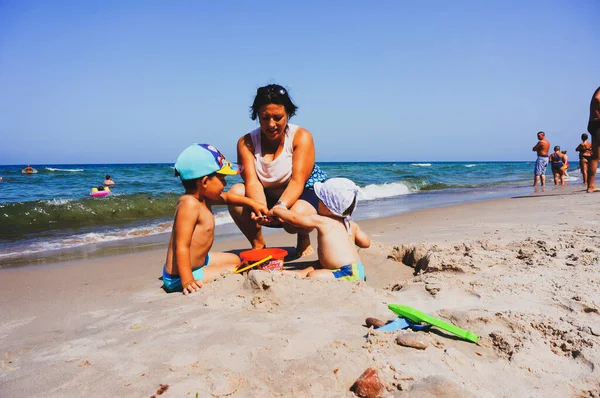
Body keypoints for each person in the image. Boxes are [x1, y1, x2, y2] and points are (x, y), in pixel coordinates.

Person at [228, 84, 327, 257]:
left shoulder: (301, 137)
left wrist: (281, 207)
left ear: (288, 114)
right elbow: (252, 182)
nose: (271, 124)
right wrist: (261, 209)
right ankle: (258, 243)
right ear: (257, 116)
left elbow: (298, 181)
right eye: (265, 118)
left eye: (278, 117)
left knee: (294, 221)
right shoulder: (246, 143)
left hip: (303, 192)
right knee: (235, 192)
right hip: (268, 195)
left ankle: (303, 236)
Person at [162, 143, 269, 295]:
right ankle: (186, 279)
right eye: (222, 179)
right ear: (205, 182)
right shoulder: (189, 205)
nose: (225, 184)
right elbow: (182, 246)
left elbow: (228, 198)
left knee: (236, 259)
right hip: (180, 275)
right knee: (237, 270)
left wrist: (253, 203)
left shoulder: (204, 198)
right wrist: (188, 281)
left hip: (200, 261)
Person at [271, 178, 371, 281]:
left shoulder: (322, 220)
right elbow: (366, 243)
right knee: (318, 263)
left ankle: (305, 275)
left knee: (313, 275)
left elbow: (295, 219)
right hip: (357, 270)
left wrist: (278, 210)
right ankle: (301, 273)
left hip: (346, 273)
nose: (317, 202)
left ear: (328, 207)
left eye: (320, 200)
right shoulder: (351, 225)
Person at [587, 86, 600, 193]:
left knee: (596, 156)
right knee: (596, 157)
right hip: (598, 123)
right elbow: (597, 99)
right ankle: (590, 186)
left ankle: (590, 186)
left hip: (593, 123)